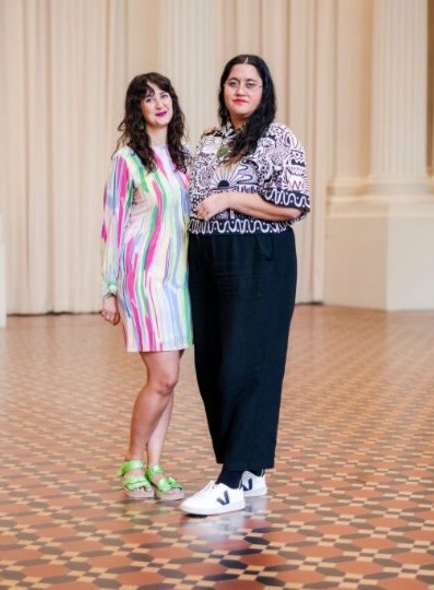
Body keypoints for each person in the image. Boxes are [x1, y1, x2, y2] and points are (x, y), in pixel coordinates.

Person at [179, 55, 310, 516]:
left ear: (264, 91)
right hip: (208, 258)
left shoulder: (279, 138)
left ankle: (231, 481)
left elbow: (293, 206)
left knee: (246, 365)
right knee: (212, 366)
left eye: (250, 83)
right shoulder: (210, 141)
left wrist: (231, 198)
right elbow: (194, 202)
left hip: (261, 260)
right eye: (232, 82)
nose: (240, 90)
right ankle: (250, 470)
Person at [100, 73, 192, 501]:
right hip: (144, 278)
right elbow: (113, 225)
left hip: (179, 281)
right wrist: (109, 287)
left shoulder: (183, 158)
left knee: (169, 382)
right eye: (148, 97)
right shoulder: (127, 161)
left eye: (164, 94)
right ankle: (133, 460)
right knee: (163, 376)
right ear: (136, 109)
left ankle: (156, 467)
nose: (159, 102)